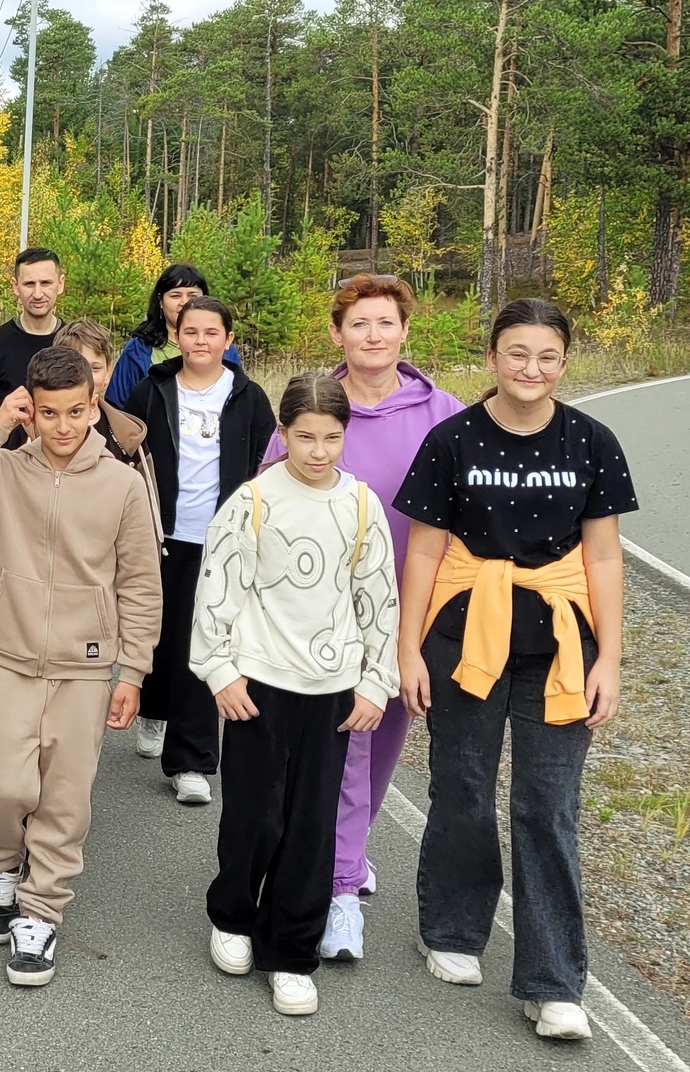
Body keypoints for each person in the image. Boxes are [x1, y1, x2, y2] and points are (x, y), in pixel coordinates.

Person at [394, 297, 635, 1042]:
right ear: (492, 355)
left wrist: (612, 660)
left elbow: (602, 554)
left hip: (562, 645)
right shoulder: (452, 439)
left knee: (547, 804)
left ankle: (553, 980)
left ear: (564, 363)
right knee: (463, 786)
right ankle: (454, 931)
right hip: (464, 637)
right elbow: (426, 550)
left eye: (548, 357)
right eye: (517, 353)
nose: (531, 369)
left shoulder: (592, 442)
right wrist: (408, 648)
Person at [0, 346, 160, 988]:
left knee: (64, 792)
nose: (63, 427)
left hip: (86, 667)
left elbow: (141, 582)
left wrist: (133, 670)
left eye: (76, 412)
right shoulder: (5, 468)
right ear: (31, 410)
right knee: (6, 785)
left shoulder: (121, 483)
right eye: (48, 413)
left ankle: (41, 909)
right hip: (8, 654)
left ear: (93, 407)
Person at [260, 273, 461, 962]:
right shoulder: (317, 405)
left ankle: (347, 850)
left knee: (383, 744)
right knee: (346, 744)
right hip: (326, 617)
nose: (372, 336)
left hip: (413, 615)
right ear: (336, 333)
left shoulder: (443, 414)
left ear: (405, 330)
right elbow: (269, 501)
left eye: (385, 323)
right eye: (359, 324)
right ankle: (339, 889)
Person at [194, 373, 398, 1016]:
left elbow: (378, 602)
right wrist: (220, 670)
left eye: (331, 437)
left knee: (312, 823)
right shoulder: (253, 502)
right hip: (258, 686)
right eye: (304, 436)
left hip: (331, 691)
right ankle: (233, 916)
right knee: (255, 813)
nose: (318, 451)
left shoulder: (361, 507)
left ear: (346, 435)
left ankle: (292, 949)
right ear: (282, 433)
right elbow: (216, 589)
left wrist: (375, 680)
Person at [127, 297, 275, 805]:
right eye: (191, 332)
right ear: (177, 337)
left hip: (222, 538)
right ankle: (152, 709)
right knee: (159, 632)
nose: (201, 342)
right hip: (159, 534)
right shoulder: (154, 389)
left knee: (203, 639)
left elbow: (266, 460)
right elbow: (128, 450)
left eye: (212, 333)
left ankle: (191, 761)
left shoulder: (248, 396)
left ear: (228, 341)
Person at [54, 319, 161, 508]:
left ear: (108, 372)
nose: (84, 377)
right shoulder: (31, 431)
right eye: (75, 367)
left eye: (94, 368)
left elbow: (146, 511)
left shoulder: (129, 436)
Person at [105, 264, 239, 413]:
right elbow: (116, 407)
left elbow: (238, 401)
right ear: (161, 301)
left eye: (192, 296)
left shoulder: (223, 347)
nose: (184, 302)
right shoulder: (138, 349)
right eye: (175, 296)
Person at [0, 248, 66, 425]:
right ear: (15, 286)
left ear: (60, 284)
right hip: (5, 452)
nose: (37, 294)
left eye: (45, 283)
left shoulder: (74, 344)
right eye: (29, 284)